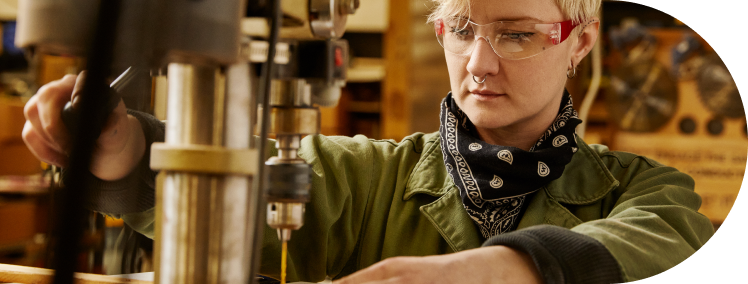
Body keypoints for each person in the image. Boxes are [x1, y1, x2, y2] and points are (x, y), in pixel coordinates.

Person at [22, 0, 714, 283]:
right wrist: (119, 150)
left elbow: (661, 241)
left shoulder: (646, 189)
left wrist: (477, 273)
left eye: (517, 33)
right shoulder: (371, 173)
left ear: (580, 43)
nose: (478, 63)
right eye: (462, 30)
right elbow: (243, 189)